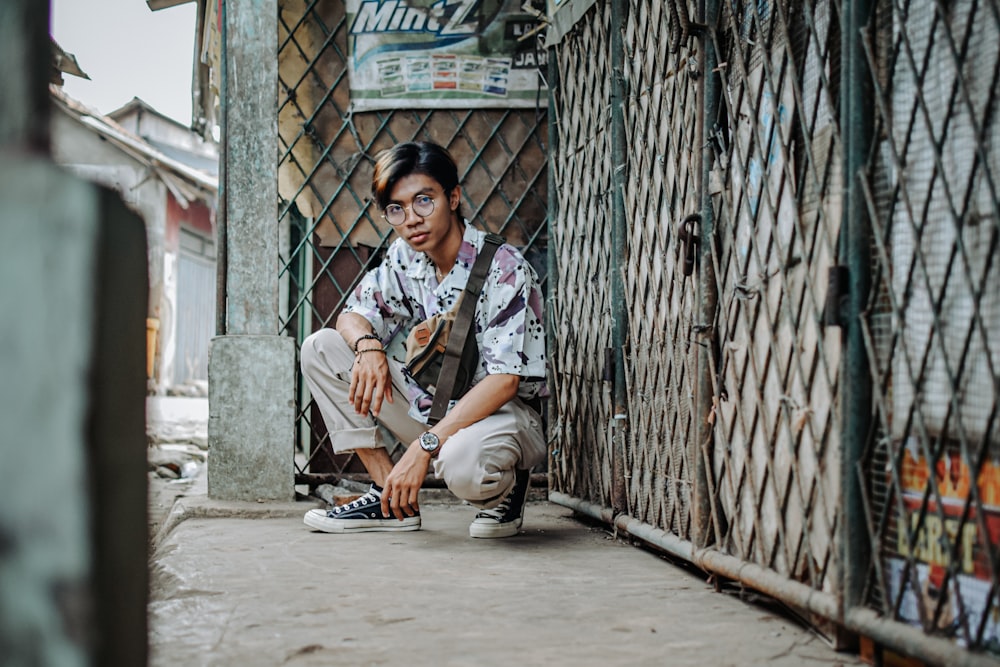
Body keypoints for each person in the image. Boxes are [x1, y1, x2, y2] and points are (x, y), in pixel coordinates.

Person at [301, 141, 547, 539]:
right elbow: (353, 315)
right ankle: (390, 500)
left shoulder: (504, 267)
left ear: (453, 197)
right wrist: (369, 347)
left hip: (502, 417)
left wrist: (423, 447)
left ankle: (506, 488)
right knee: (321, 348)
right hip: (433, 404)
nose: (411, 218)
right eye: (396, 208)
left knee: (462, 465)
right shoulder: (405, 257)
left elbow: (506, 381)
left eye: (424, 201)